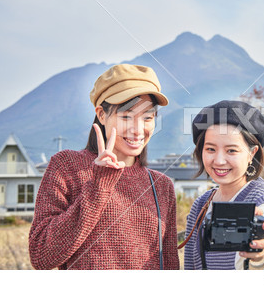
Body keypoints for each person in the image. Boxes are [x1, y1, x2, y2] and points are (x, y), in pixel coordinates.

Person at [28, 64, 179, 270]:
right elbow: (41, 256)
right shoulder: (67, 166)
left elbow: (169, 265)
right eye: (126, 116)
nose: (138, 129)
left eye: (148, 117)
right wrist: (99, 186)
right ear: (101, 115)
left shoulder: (161, 186)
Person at [183, 100, 264, 270]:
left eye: (231, 150)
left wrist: (261, 254)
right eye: (210, 149)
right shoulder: (200, 205)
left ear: (251, 153)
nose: (219, 160)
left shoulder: (263, 199)